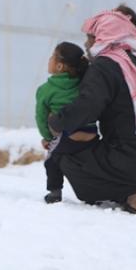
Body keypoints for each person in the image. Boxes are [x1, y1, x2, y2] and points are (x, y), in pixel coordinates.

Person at [48, 9, 136, 213]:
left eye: (90, 38)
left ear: (104, 38)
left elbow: (87, 107)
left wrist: (57, 121)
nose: (87, 44)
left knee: (70, 161)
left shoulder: (105, 65)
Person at [35, 42, 100, 204]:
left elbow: (41, 117)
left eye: (52, 56)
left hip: (66, 136)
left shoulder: (46, 90)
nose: (49, 59)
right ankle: (96, 194)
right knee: (89, 164)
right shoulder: (84, 84)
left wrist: (47, 138)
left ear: (59, 66)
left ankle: (54, 193)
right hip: (91, 134)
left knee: (52, 161)